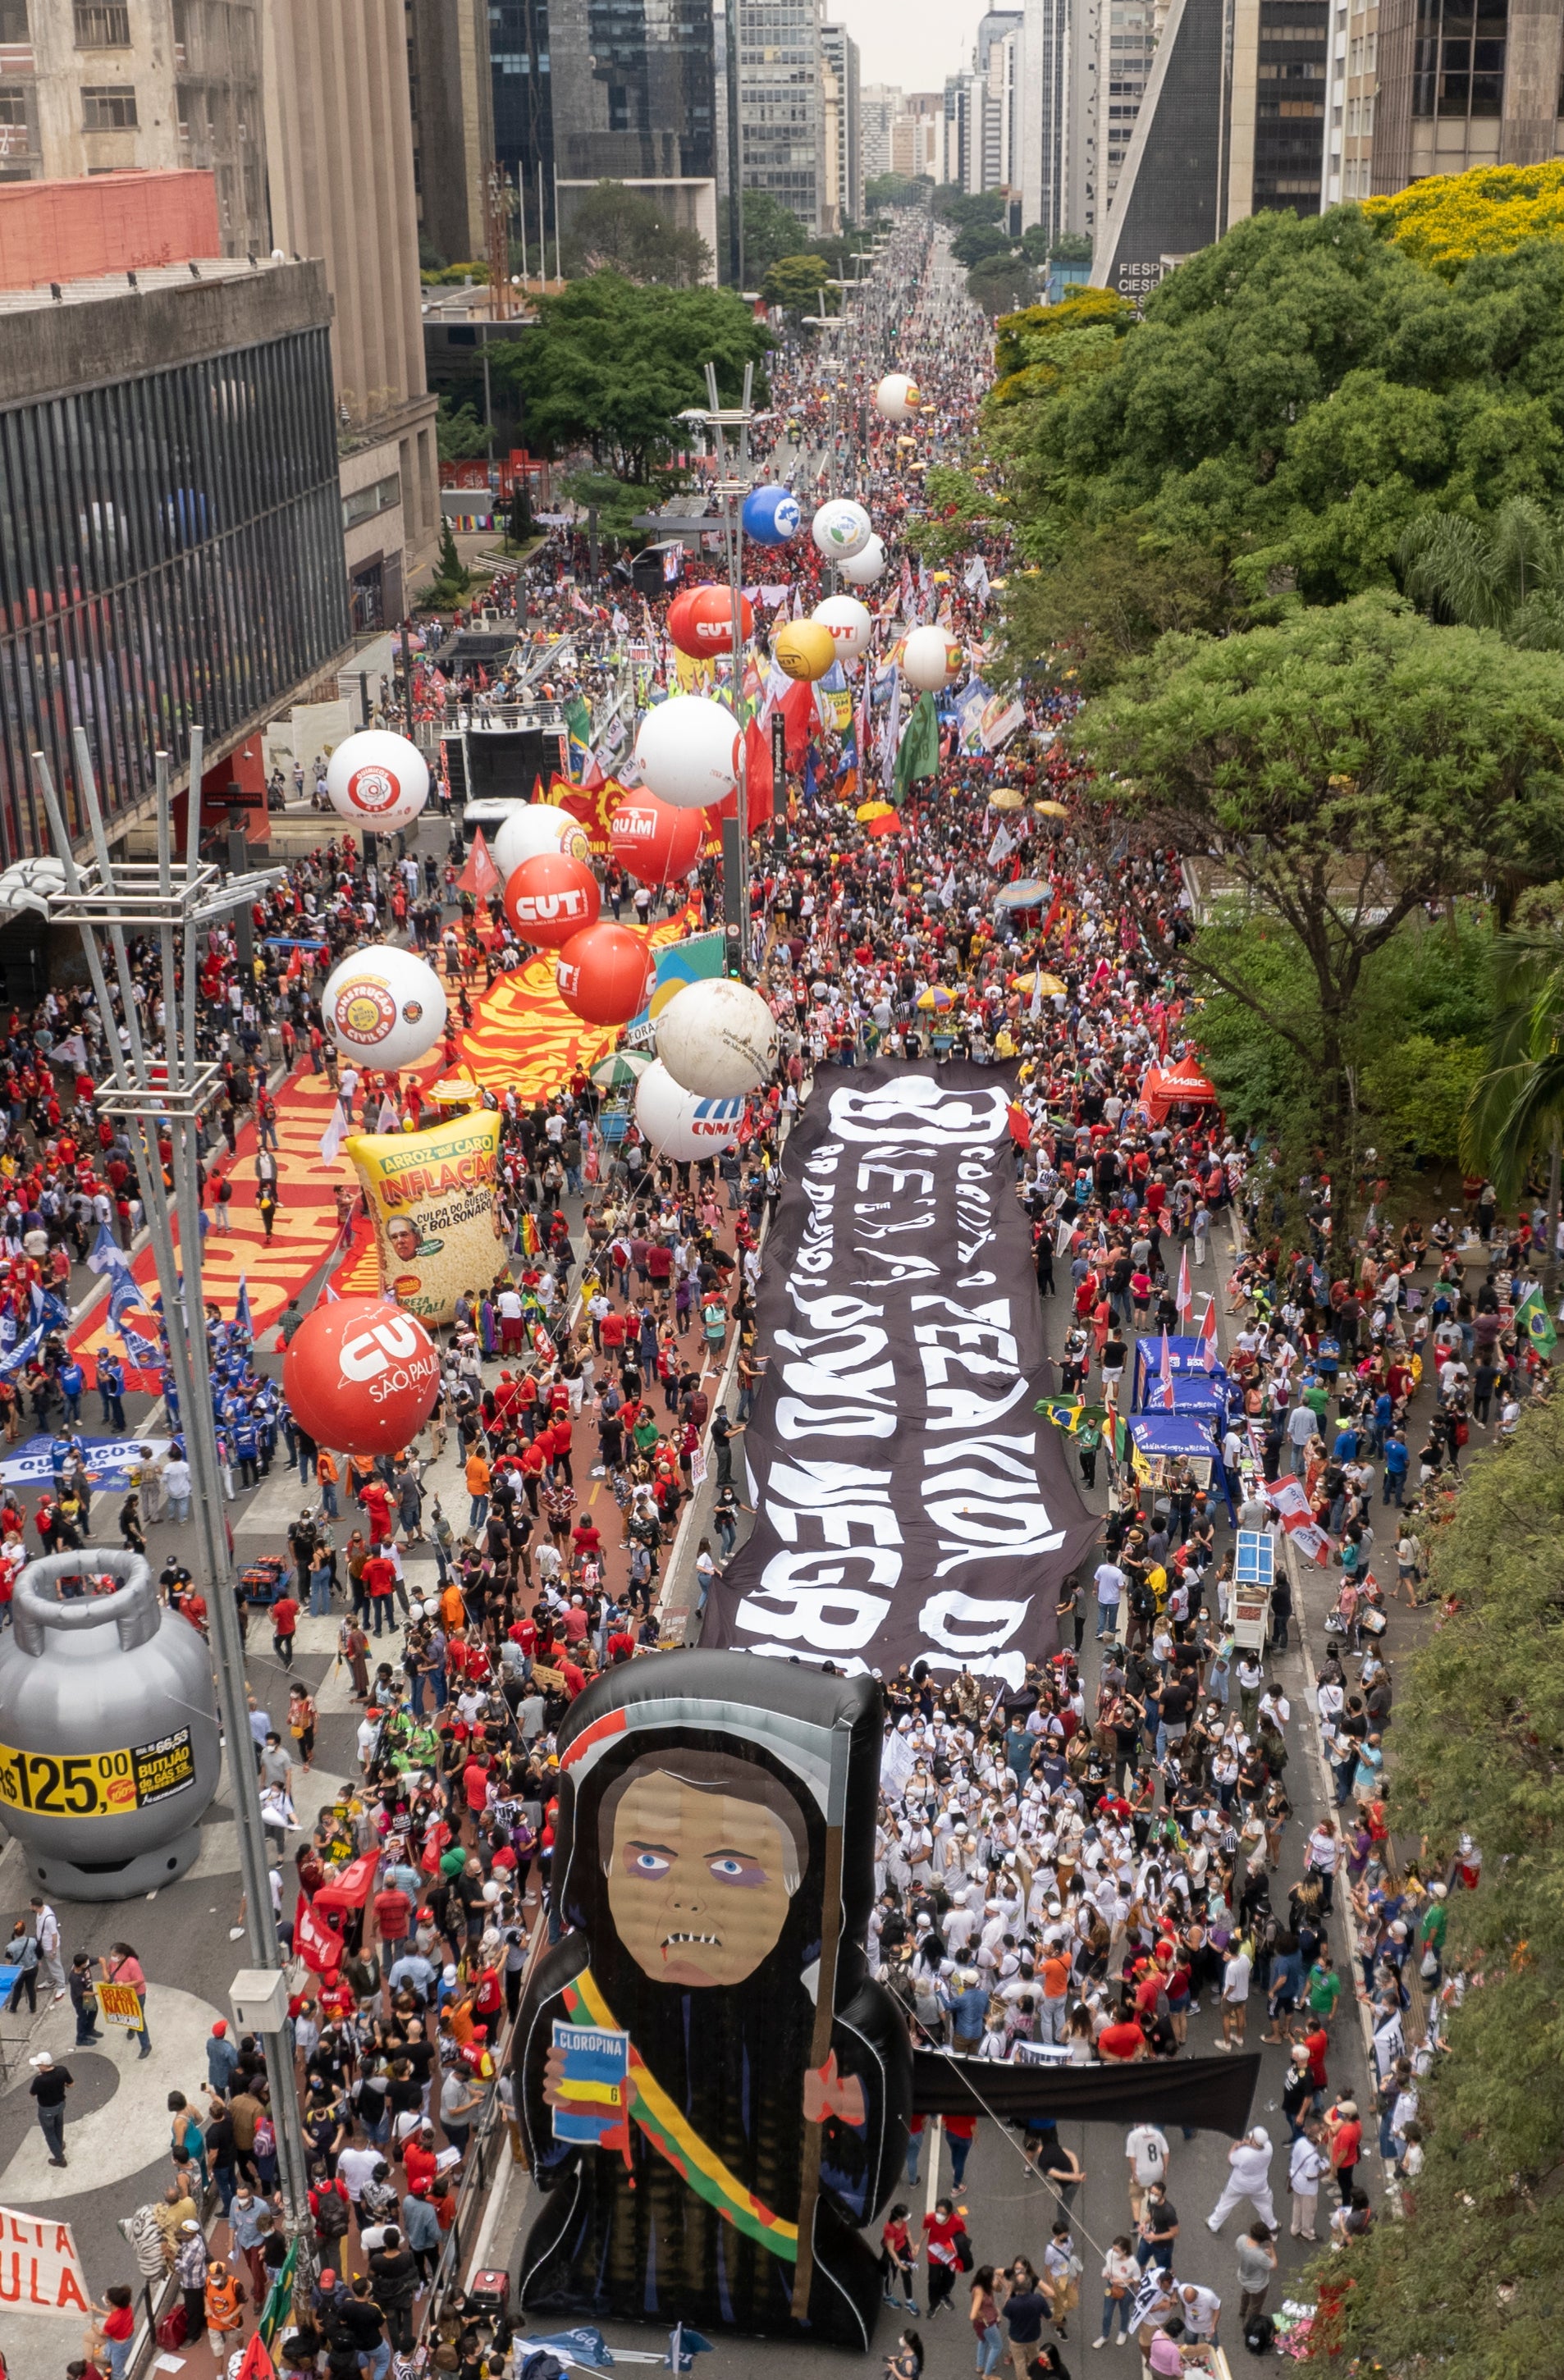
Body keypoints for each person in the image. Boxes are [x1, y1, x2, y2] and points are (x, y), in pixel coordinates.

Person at [1207, 2127, 1276, 2233]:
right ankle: (1272, 2225)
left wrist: (1235, 2146)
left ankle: (1213, 2224)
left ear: (1253, 2141)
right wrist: (1248, 2144)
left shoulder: (1244, 2153)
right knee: (1264, 2204)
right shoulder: (1269, 2148)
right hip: (1259, 2184)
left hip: (1239, 2184)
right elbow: (1257, 2147)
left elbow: (1231, 2159)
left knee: (1226, 2202)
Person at [1001, 2259, 1050, 2379]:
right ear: (1029, 2285)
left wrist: (1008, 2295)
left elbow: (1005, 2313)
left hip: (1016, 2337)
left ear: (1016, 2288)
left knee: (1019, 2362)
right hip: (1033, 2335)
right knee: (1034, 2358)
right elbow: (1048, 2316)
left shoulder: (1012, 2304)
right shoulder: (1039, 2299)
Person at [27, 2049, 72, 2165]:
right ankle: (60, 2144)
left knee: (50, 2134)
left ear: (43, 2065)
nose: (37, 2066)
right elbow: (71, 2084)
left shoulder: (40, 2080)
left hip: (47, 2110)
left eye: (38, 2064)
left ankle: (59, 2159)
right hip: (61, 2105)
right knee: (59, 2126)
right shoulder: (62, 2070)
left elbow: (32, 2094)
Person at [1093, 2236, 1137, 2350]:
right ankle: (1104, 2336)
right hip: (1111, 2286)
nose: (1113, 2252)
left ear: (1125, 2251)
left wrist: (1123, 2281)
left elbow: (1137, 2278)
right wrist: (1106, 2273)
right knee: (1107, 2313)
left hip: (1125, 2290)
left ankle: (1123, 2332)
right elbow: (1107, 2267)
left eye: (1117, 2251)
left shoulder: (1131, 2263)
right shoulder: (1110, 2254)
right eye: (1113, 2249)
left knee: (1124, 2311)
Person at [1236, 2221, 1278, 2332]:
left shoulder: (1241, 2239)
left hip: (1244, 2277)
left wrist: (1263, 2252)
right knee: (1255, 2306)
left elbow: (1250, 2254)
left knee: (1245, 2295)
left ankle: (1242, 2311)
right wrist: (1272, 2250)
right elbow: (1273, 2265)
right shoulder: (1259, 2256)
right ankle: (1250, 2324)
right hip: (1258, 2285)